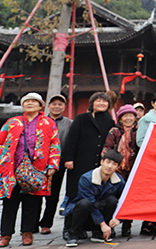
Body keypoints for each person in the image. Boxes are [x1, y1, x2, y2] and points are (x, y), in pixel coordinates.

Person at [0, 92, 60, 248]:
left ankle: (27, 233)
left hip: (36, 169)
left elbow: (55, 145)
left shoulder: (49, 123)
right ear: (22, 105)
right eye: (27, 101)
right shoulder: (12, 122)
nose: (30, 104)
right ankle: (5, 234)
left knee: (31, 203)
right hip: (12, 169)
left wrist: (53, 165)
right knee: (9, 203)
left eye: (34, 102)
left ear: (40, 106)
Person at [62, 92, 115, 238]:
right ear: (92, 103)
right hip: (80, 163)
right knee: (74, 195)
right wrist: (69, 158)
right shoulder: (81, 119)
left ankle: (94, 227)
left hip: (99, 166)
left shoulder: (110, 122)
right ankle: (69, 228)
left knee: (97, 196)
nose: (101, 104)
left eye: (104, 102)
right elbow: (71, 140)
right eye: (98, 101)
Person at [63, 150, 126, 246]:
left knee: (112, 200)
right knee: (85, 203)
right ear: (102, 162)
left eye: (114, 164)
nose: (109, 166)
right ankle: (73, 234)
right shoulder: (86, 178)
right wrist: (103, 224)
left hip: (97, 217)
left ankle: (98, 233)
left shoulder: (119, 181)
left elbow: (124, 202)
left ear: (117, 167)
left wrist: (119, 219)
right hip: (81, 215)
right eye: (108, 162)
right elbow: (91, 204)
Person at [37, 94, 72, 235]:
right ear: (48, 106)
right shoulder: (40, 121)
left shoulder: (70, 123)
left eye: (60, 104)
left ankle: (46, 223)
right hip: (39, 164)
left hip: (59, 163)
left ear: (64, 107)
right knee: (35, 194)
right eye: (54, 104)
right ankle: (32, 223)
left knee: (53, 194)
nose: (57, 106)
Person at [101, 104, 138, 237]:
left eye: (131, 116)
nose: (128, 118)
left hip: (133, 169)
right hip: (117, 169)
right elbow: (108, 147)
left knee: (130, 197)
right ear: (120, 118)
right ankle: (110, 225)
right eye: (125, 116)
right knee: (112, 197)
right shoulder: (114, 131)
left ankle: (127, 225)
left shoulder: (137, 130)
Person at [135, 92, 156, 236]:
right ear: (153, 103)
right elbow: (140, 140)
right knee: (151, 191)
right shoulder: (146, 119)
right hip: (151, 159)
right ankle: (147, 224)